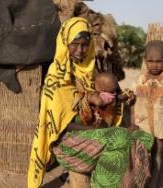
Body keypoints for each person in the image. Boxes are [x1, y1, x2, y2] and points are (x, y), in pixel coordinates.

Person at [27, 17, 153, 188]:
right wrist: (100, 129)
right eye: (75, 44)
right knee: (120, 137)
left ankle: (124, 181)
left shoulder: (90, 72)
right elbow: (62, 126)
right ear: (65, 43)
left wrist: (121, 98)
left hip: (94, 132)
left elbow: (106, 98)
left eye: (85, 45)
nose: (80, 50)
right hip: (67, 141)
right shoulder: (56, 78)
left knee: (144, 138)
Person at [132, 40, 163, 188]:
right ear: (145, 60)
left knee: (158, 156)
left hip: (161, 126)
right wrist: (133, 122)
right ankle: (141, 182)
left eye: (159, 61)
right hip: (143, 126)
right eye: (150, 61)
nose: (154, 65)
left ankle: (154, 184)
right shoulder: (140, 80)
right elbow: (132, 101)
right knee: (142, 155)